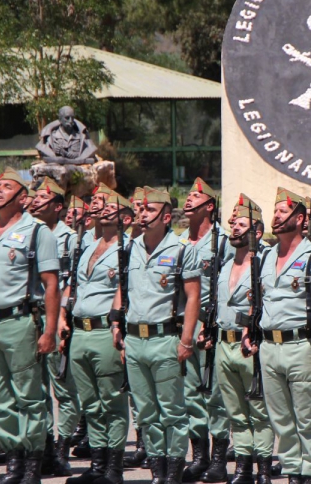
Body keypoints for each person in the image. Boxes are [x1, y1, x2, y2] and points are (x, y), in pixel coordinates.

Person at [0, 167, 61, 484]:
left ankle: (32, 464)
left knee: (29, 397)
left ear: (22, 197)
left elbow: (51, 285)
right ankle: (13, 463)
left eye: (8, 187)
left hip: (20, 323)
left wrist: (49, 331)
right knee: (1, 398)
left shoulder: (37, 232)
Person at [111, 186, 201, 484]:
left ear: (165, 217)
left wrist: (187, 340)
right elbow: (122, 289)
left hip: (166, 338)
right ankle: (157, 472)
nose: (142, 214)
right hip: (135, 340)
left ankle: (173, 472)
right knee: (147, 413)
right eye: (141, 209)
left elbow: (192, 297)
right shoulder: (128, 247)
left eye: (149, 211)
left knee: (172, 411)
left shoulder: (181, 249)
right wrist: (116, 326)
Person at [248, 187, 311, 484]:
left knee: (308, 419)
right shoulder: (266, 256)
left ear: (300, 219)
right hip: (270, 346)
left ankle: (310, 474)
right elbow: (260, 302)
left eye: (283, 212)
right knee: (281, 420)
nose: (276, 217)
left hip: (302, 346)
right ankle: (293, 473)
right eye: (275, 212)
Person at [197, 201, 274, 484]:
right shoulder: (227, 263)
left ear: (257, 230)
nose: (235, 229)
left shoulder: (264, 263)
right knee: (236, 412)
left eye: (241, 225)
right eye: (234, 225)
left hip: (250, 346)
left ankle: (263, 469)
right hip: (223, 345)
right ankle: (243, 468)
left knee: (259, 410)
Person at [65, 193, 133, 484]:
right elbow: (75, 286)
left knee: (112, 401)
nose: (103, 212)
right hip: (80, 331)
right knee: (90, 403)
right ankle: (97, 466)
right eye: (102, 209)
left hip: (106, 331)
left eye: (111, 208)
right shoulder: (88, 246)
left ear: (126, 219)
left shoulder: (128, 249)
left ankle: (114, 469)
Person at [30, 177, 82, 476]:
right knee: (36, 388)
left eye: (43, 199)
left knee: (62, 386)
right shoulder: (28, 233)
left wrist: (62, 317)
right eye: (34, 198)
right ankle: (46, 445)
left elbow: (71, 283)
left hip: (58, 318)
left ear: (58, 207)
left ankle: (63, 445)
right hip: (31, 317)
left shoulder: (69, 238)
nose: (36, 202)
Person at [182, 178, 230, 484]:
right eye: (186, 196)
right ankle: (198, 456)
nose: (187, 201)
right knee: (190, 394)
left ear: (209, 206)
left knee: (215, 394)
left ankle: (218, 459)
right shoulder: (179, 241)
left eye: (194, 197)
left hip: (212, 324)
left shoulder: (223, 240)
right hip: (187, 322)